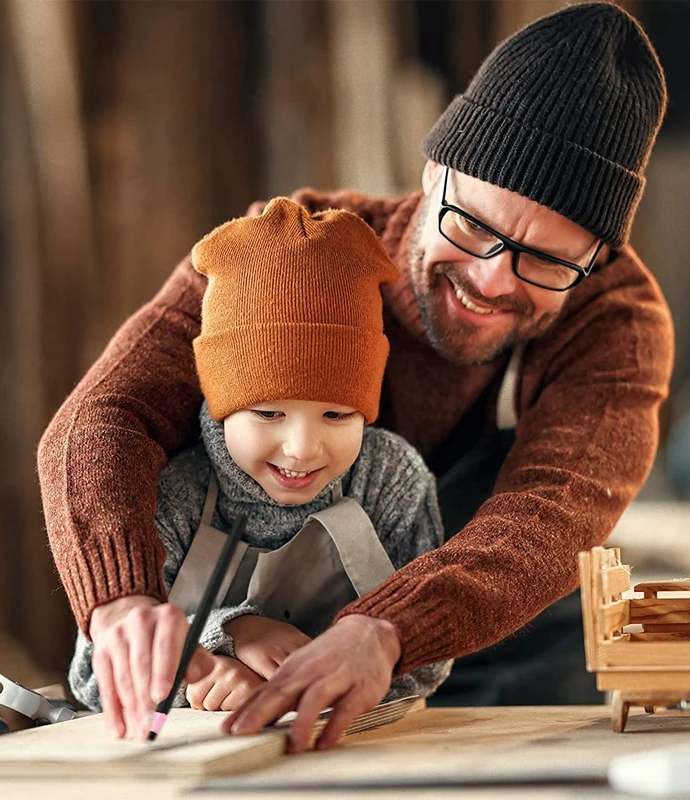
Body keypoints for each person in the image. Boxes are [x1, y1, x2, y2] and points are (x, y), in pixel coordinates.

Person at [38, 2, 674, 752]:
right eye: (472, 224)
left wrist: (388, 629)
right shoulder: (290, 251)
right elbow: (107, 415)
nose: (491, 279)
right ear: (434, 172)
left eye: (546, 260)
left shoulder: (617, 324)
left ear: (596, 259)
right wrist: (121, 599)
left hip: (517, 678)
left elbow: (552, 512)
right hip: (270, 676)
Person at [66, 198, 451, 739]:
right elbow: (92, 681)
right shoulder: (172, 494)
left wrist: (321, 674)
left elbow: (431, 664)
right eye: (268, 412)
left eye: (337, 414)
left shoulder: (391, 482)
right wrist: (222, 653)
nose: (300, 449)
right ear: (221, 401)